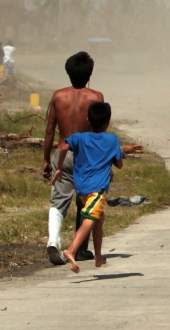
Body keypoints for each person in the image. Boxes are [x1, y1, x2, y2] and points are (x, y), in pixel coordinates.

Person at [42, 52, 105, 265]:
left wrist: (44, 160)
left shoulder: (58, 96)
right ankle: (80, 249)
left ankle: (53, 241)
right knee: (86, 201)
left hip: (62, 154)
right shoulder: (96, 97)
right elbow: (99, 132)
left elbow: (49, 130)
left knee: (58, 201)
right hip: (87, 157)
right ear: (90, 74)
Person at [52, 101, 123, 273]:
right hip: (97, 189)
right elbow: (119, 164)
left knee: (99, 218)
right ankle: (71, 250)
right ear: (108, 121)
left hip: (81, 188)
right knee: (90, 219)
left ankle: (98, 256)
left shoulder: (79, 137)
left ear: (88, 119)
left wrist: (60, 168)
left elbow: (62, 147)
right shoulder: (112, 140)